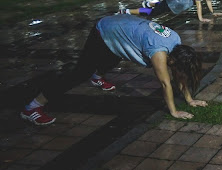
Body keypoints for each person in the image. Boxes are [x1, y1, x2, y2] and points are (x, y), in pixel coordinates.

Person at [20, 14, 207, 125]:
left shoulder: (176, 42)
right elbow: (166, 84)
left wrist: (190, 100)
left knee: (116, 54)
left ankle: (97, 76)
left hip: (121, 27)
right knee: (80, 73)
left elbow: (179, 74)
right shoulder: (159, 52)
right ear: (172, 60)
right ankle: (32, 107)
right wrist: (174, 112)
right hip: (105, 30)